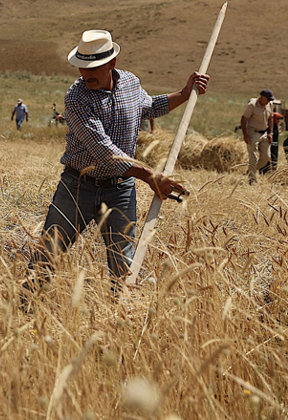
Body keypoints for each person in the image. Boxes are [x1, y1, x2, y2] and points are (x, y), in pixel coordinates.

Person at [28, 29, 209, 286]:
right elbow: (103, 151)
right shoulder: (77, 98)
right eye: (82, 67)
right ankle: (26, 306)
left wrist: (184, 93)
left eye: (93, 67)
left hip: (119, 190)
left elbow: (149, 107)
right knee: (48, 255)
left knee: (124, 265)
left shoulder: (130, 83)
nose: (85, 73)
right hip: (77, 188)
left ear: (112, 63)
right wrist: (149, 176)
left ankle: (120, 317)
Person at [241, 89, 274, 183]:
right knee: (253, 158)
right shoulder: (252, 105)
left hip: (264, 134)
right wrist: (245, 135)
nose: (269, 101)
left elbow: (271, 119)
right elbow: (243, 119)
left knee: (266, 157)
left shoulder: (270, 104)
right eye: (267, 99)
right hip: (252, 133)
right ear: (262, 98)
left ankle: (250, 171)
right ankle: (252, 180)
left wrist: (271, 133)